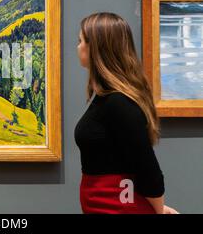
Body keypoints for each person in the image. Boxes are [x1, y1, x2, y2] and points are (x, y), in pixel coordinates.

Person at [75, 12, 178, 214]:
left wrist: (158, 210)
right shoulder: (105, 99)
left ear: (96, 48)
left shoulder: (119, 103)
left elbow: (148, 169)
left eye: (81, 41)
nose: (78, 47)